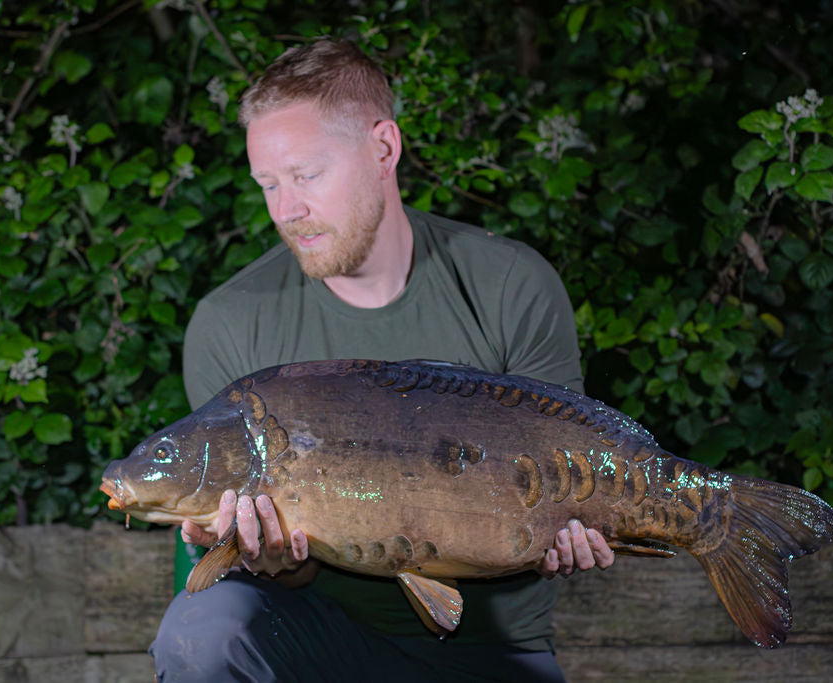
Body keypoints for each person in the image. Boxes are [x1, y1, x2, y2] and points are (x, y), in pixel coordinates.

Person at [150, 38, 615, 682]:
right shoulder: (232, 323)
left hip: (491, 648)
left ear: (383, 149)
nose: (287, 210)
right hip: (316, 643)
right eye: (268, 184)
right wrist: (265, 553)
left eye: (307, 175)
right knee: (204, 631)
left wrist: (574, 526)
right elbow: (287, 566)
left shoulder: (510, 285)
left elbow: (574, 468)